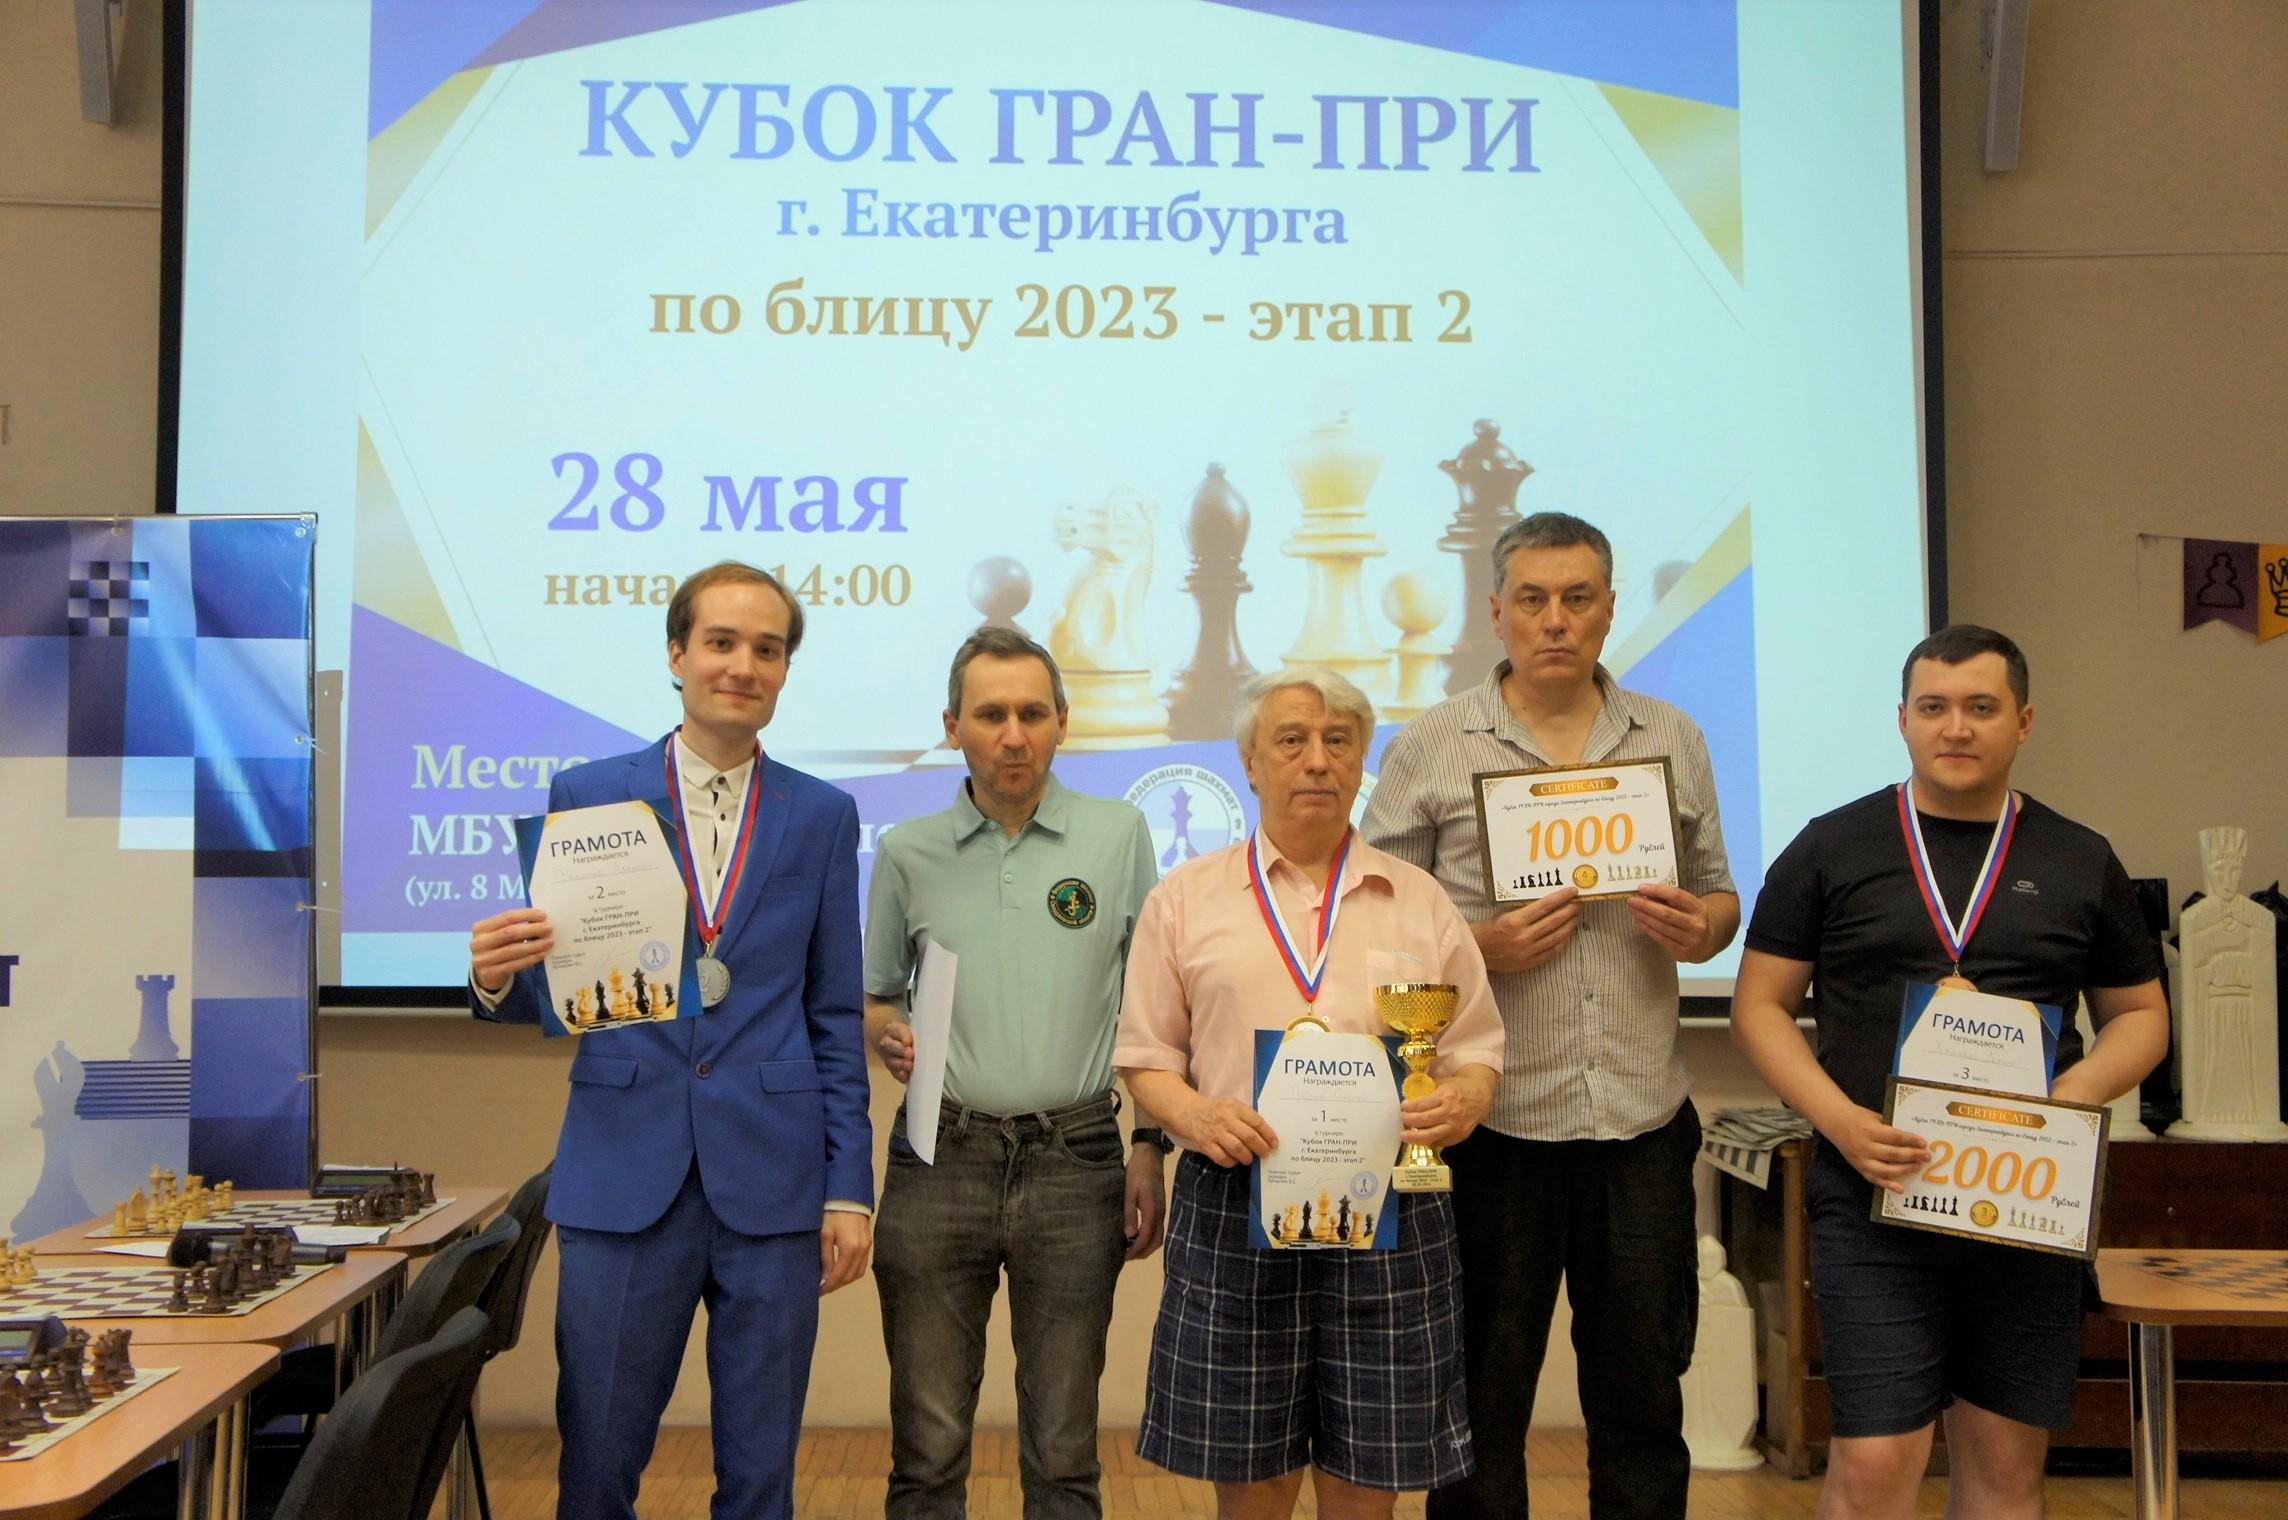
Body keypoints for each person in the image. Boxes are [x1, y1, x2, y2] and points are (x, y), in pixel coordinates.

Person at [1730, 624, 2168, 1520]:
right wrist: (1841, 1121)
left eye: (1981, 707)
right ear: (1903, 720)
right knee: (1874, 1462)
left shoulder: (2080, 857)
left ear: (2024, 721)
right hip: (1874, 1188)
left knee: (2005, 1468)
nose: (1956, 728)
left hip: (2027, 1194)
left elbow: (2142, 1018)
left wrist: (2070, 1099)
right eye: (1934, 707)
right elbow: (1759, 1007)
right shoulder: (1832, 846)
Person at [465, 561, 873, 1520]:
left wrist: (847, 1186)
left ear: (785, 669)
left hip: (773, 1183)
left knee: (761, 1479)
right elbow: (566, 992)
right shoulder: (589, 793)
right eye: (721, 643)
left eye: (766, 649)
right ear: (677, 655)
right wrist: (496, 977)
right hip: (622, 1173)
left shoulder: (822, 815)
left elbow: (833, 1016)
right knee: (597, 1467)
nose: (743, 666)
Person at [1361, 512, 1738, 1520]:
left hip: (1639, 1122)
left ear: (1609, 609)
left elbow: (1718, 895)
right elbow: (1371, 924)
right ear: (1496, 612)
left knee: (1643, 1402)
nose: (1555, 620)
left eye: (1577, 598)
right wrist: (1478, 946)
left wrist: (1701, 927)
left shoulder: (1670, 736)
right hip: (1491, 1127)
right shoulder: (1432, 743)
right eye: (1532, 599)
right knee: (1478, 1408)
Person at [1114, 667, 1506, 1520]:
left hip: (1392, 1204)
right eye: (1291, 740)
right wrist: (1193, 1114)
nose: (1317, 761)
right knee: (1250, 1478)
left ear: (1362, 760)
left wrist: (1465, 1100)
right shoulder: (1184, 899)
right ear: (1251, 762)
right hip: (1234, 1195)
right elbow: (1145, 1056)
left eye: (1338, 741)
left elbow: (1476, 1049)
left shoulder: (1419, 900)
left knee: (1371, 1476)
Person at [864, 627, 1167, 1520]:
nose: (1012, 735)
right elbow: (875, 998)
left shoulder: (1118, 835)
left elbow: (1156, 1007)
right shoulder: (907, 851)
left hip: (1077, 1157)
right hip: (940, 1155)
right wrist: (888, 1034)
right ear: (952, 726)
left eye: (1033, 713)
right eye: (990, 714)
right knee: (927, 1451)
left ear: (1063, 724)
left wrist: (1150, 1142)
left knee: (1065, 1451)